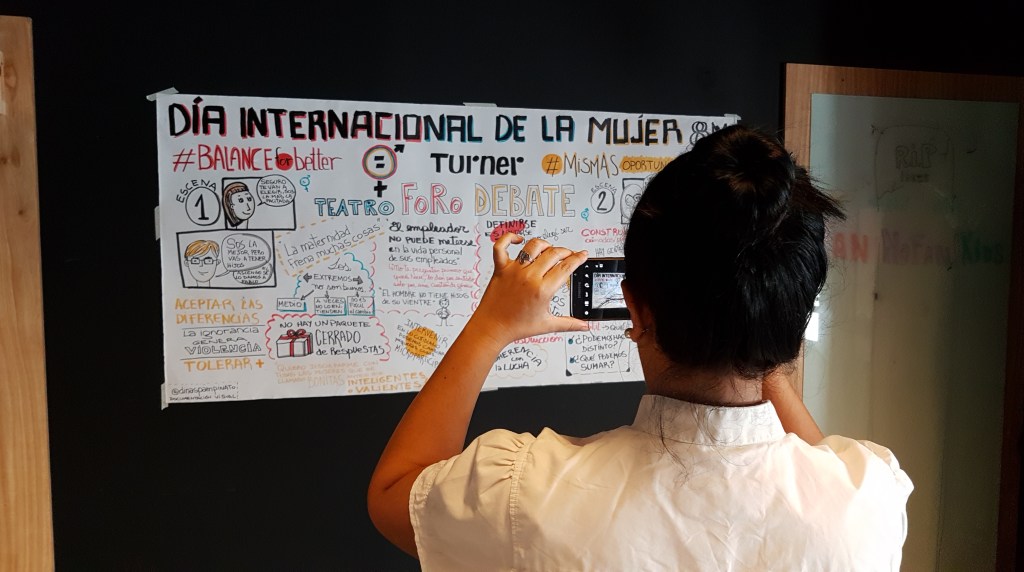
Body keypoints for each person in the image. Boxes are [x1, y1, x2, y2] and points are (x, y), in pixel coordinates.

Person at [367, 125, 913, 570]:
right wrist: (757, 331)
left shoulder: (522, 495)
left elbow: (394, 492)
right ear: (794, 321)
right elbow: (818, 467)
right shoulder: (869, 500)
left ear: (637, 309)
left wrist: (490, 326)